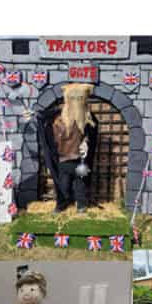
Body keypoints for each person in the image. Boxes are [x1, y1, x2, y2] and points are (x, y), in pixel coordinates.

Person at [38, 83, 98, 214]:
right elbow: (44, 120)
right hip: (64, 159)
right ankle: (61, 205)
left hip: (80, 160)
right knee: (62, 185)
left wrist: (86, 141)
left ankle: (81, 205)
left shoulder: (86, 118)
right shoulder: (58, 117)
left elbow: (90, 132)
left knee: (80, 184)